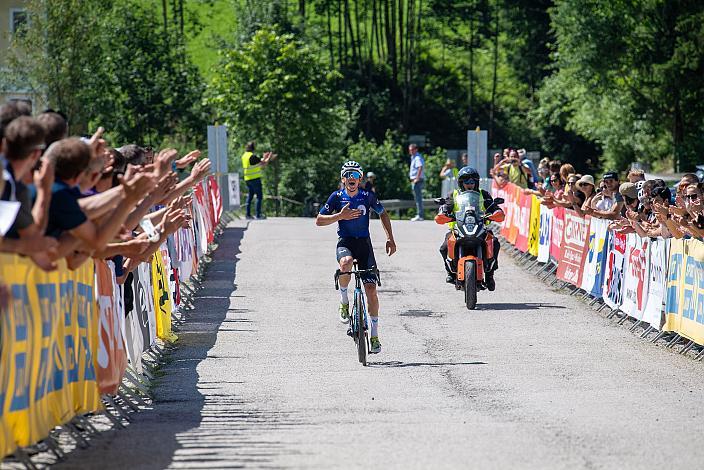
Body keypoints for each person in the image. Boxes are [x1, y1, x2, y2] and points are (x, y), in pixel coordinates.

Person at [316, 161, 397, 354]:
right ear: (343, 179)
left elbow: (383, 214)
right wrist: (339, 216)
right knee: (345, 263)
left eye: (355, 174)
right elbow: (318, 220)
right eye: (347, 174)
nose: (351, 177)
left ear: (360, 179)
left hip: (364, 245)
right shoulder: (336, 197)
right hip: (346, 242)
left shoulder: (368, 196)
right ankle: (344, 302)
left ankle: (375, 336)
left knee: (371, 290)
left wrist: (390, 239)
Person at [436, 166, 504, 291]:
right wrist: (443, 213)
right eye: (466, 181)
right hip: (458, 228)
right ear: (461, 183)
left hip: (480, 226)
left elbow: (493, 207)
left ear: (476, 182)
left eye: (472, 181)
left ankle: (490, 275)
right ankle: (450, 273)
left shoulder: (484, 194)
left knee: (494, 242)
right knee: (444, 247)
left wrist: (496, 211)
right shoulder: (454, 195)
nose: (469, 184)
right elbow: (446, 207)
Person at [241, 141, 275, 220]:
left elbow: (258, 162)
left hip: (247, 179)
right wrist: (268, 158)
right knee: (259, 197)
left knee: (250, 196)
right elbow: (263, 164)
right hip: (255, 179)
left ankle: (248, 214)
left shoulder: (244, 156)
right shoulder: (252, 156)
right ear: (253, 148)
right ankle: (258, 215)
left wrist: (264, 158)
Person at [408, 143, 425, 221]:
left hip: (417, 180)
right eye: (410, 150)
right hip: (415, 180)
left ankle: (420, 215)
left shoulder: (417, 157)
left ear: (416, 149)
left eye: (412, 150)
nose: (410, 151)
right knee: (417, 198)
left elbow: (420, 167)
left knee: (418, 198)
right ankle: (419, 214)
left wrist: (417, 178)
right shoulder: (413, 157)